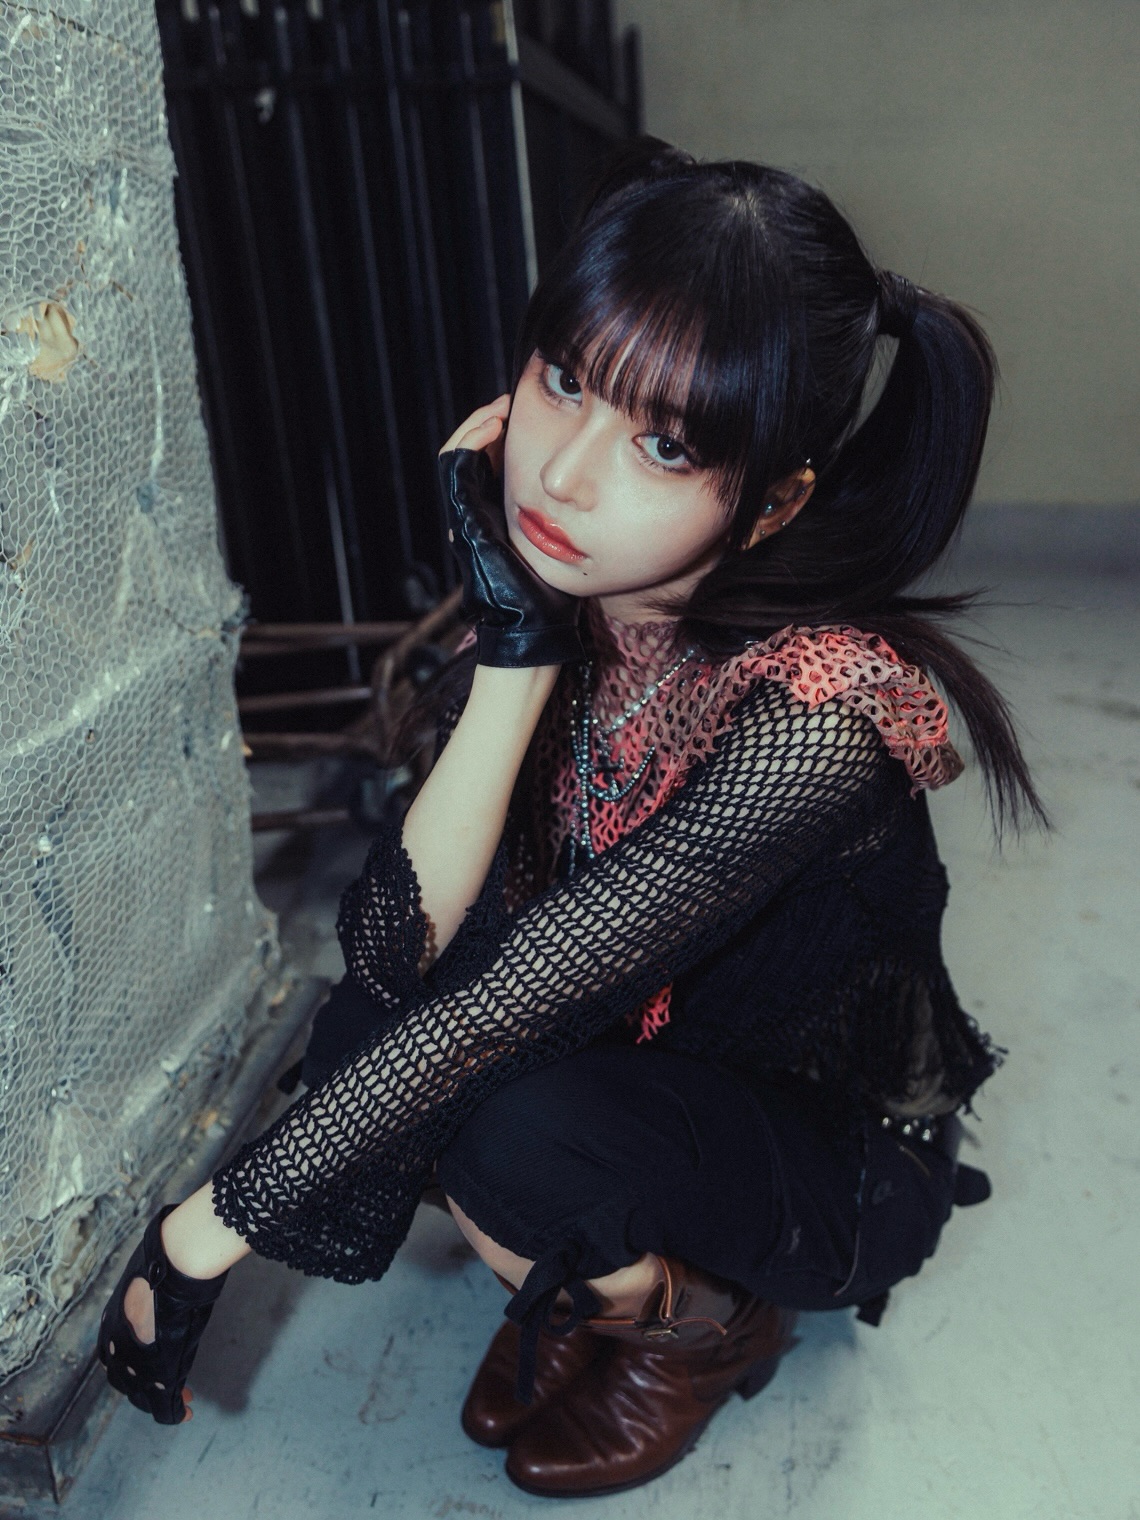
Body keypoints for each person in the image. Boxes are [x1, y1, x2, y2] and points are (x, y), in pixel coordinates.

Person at [98, 139, 1043, 1499]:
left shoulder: (818, 718)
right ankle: (585, 1279)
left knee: (503, 1127)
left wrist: (198, 1236)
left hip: (817, 1157)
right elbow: (396, 955)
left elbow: (504, 1008)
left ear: (774, 505)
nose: (564, 477)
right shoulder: (575, 611)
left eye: (665, 444)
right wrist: (513, 650)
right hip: (630, 1075)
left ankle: (701, 1326)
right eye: (563, 383)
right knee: (386, 1039)